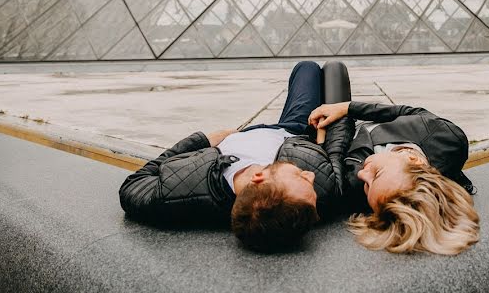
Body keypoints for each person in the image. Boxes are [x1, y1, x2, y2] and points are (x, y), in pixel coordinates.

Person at [119, 61, 353, 252]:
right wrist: (322, 136)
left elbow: (132, 185)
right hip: (295, 129)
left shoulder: (173, 194)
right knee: (322, 68)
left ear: (259, 177)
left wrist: (204, 140)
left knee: (307, 67)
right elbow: (335, 153)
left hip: (246, 134)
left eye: (302, 177)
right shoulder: (319, 196)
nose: (311, 174)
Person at [309, 98, 479, 256]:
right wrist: (346, 107)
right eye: (377, 174)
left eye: (367, 187)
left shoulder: (355, 188)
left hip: (338, 126)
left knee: (313, 68)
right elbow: (407, 113)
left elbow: (333, 153)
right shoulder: (448, 140)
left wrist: (330, 126)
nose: (362, 174)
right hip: (349, 113)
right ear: (414, 160)